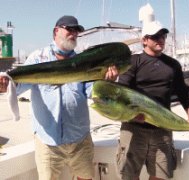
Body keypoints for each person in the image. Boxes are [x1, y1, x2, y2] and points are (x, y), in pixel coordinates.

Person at [0, 15, 118, 180]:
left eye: (76, 31)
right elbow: (18, 85)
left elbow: (92, 91)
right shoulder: (37, 58)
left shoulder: (82, 60)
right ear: (56, 31)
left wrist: (106, 81)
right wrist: (6, 84)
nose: (74, 33)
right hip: (48, 141)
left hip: (80, 139)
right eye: (70, 29)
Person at [116, 21, 189, 180]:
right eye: (155, 36)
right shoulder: (133, 62)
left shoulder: (173, 65)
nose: (160, 39)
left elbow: (183, 93)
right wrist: (131, 115)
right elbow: (122, 92)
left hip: (162, 127)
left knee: (160, 176)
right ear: (145, 40)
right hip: (134, 128)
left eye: (163, 36)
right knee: (129, 175)